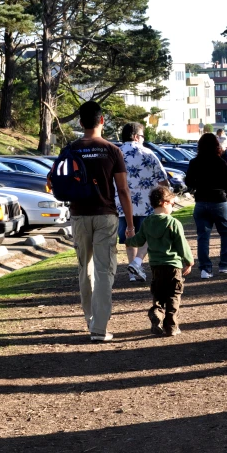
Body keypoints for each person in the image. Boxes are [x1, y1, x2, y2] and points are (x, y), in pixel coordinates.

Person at [66, 100, 134, 342]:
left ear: (81, 122)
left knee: (85, 269)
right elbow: (123, 190)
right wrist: (131, 224)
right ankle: (99, 328)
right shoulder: (112, 151)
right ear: (102, 120)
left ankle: (90, 319)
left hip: (78, 215)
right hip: (106, 215)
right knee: (104, 270)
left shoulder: (71, 149)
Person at [125, 186, 193, 337]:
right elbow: (182, 244)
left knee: (159, 293)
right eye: (172, 203)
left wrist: (128, 239)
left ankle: (156, 312)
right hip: (173, 266)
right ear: (164, 203)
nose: (173, 206)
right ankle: (171, 327)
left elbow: (138, 240)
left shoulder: (148, 222)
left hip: (155, 266)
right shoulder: (173, 223)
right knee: (173, 295)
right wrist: (189, 261)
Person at [117, 122, 169, 282]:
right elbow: (163, 179)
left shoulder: (116, 153)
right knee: (148, 237)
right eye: (142, 137)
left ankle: (133, 271)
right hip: (146, 204)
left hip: (122, 204)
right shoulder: (147, 153)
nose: (142, 139)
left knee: (129, 238)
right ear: (135, 136)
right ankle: (138, 263)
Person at [184, 132, 227, 279]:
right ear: (216, 146)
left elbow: (188, 182)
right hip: (219, 201)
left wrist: (197, 186)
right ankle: (226, 264)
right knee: (225, 233)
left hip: (201, 202)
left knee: (203, 236)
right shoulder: (220, 162)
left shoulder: (194, 162)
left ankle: (205, 269)